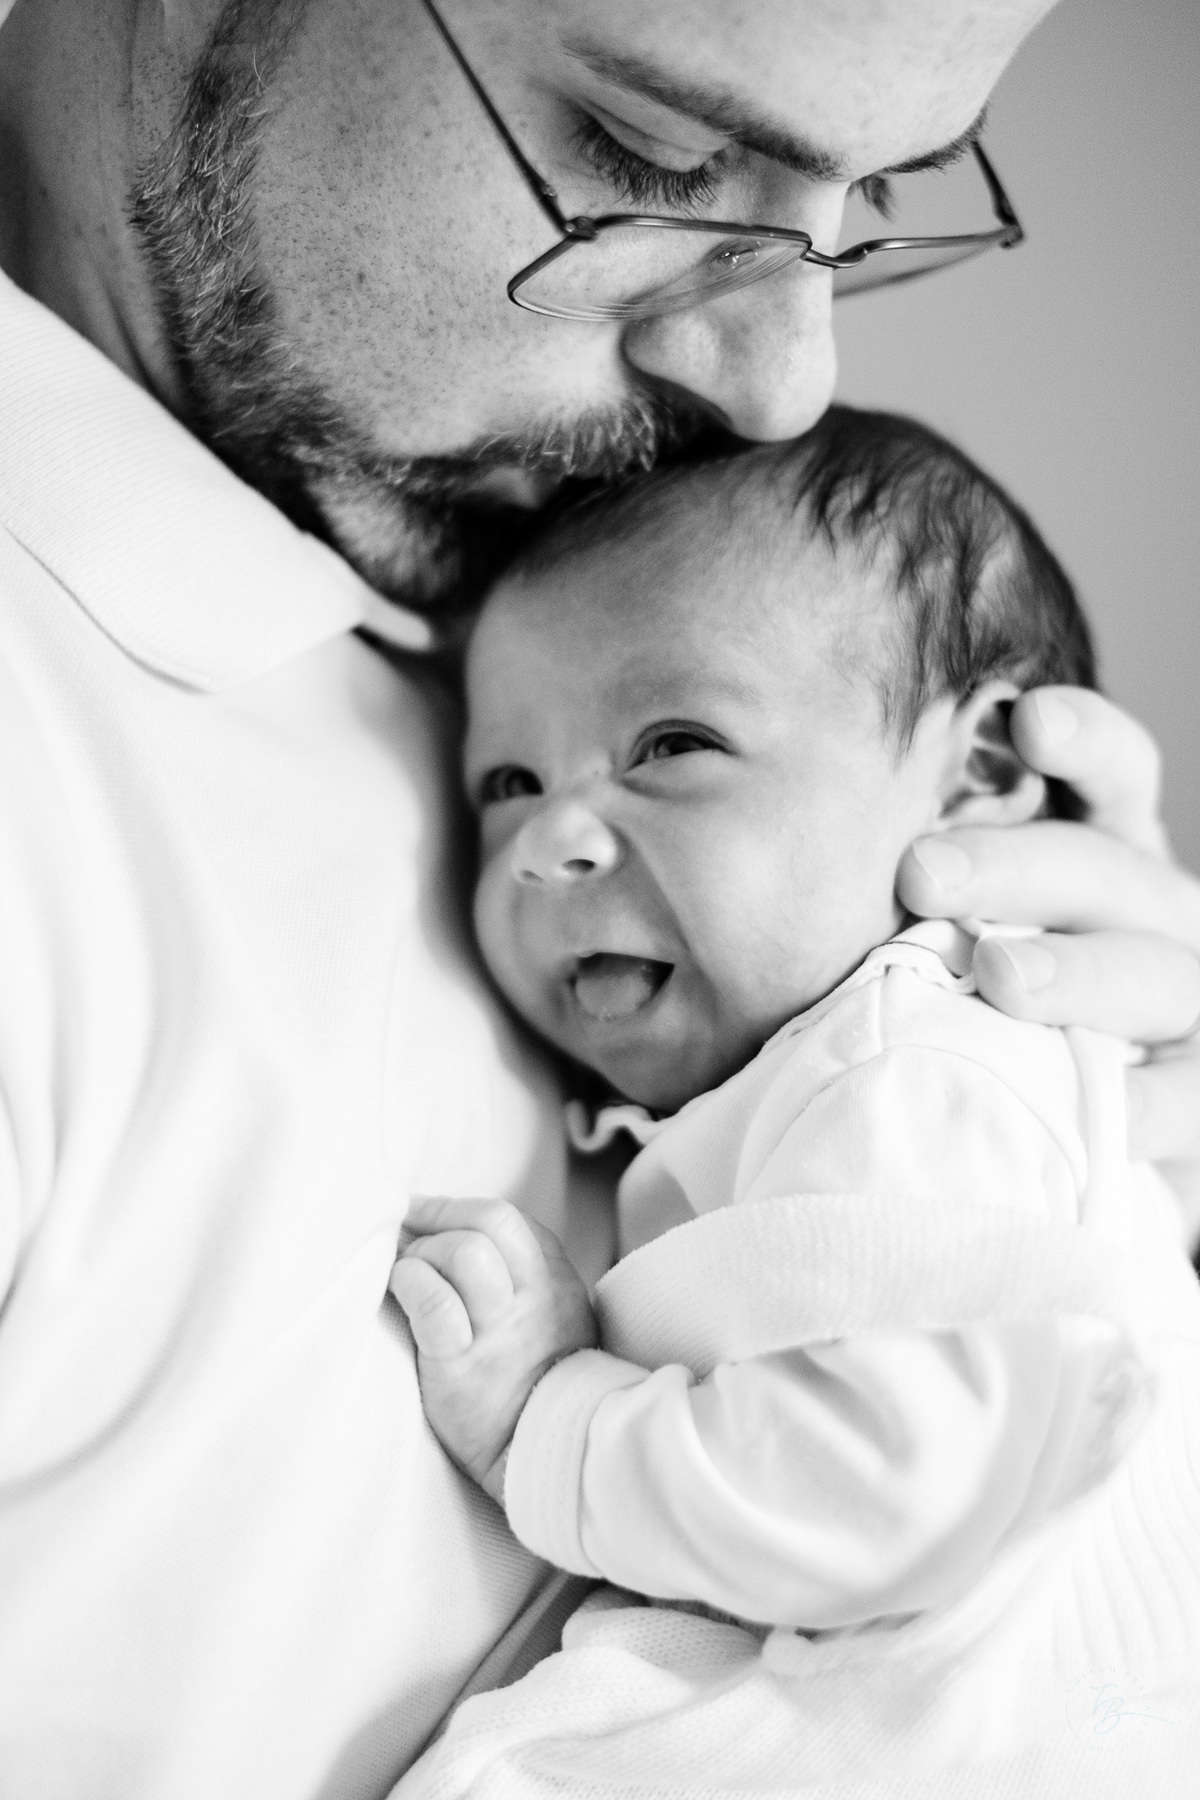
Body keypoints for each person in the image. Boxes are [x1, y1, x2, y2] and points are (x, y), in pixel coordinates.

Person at [0, 1, 1197, 1795]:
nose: (785, 374)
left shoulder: (611, 586)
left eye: (872, 199)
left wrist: (1112, 1145)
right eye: (647, 157)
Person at [386, 408, 1200, 1798]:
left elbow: (885, 1480)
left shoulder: (915, 1060)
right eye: (508, 782)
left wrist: (549, 1421)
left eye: (673, 744)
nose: (547, 843)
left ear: (985, 777)